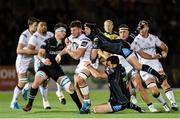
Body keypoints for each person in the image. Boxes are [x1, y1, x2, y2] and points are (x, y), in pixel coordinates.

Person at [23, 22, 82, 112]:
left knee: (70, 88)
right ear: (57, 32)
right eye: (62, 31)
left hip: (56, 69)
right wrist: (43, 60)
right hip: (45, 68)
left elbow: (67, 48)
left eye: (65, 32)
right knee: (37, 81)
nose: (64, 33)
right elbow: (40, 53)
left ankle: (81, 108)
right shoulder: (48, 41)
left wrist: (61, 54)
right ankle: (29, 104)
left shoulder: (65, 42)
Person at [89, 24, 167, 88]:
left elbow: (93, 57)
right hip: (122, 48)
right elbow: (101, 35)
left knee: (136, 66)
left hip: (121, 48)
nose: (85, 30)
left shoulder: (96, 39)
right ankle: (159, 76)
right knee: (138, 66)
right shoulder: (99, 36)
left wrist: (94, 60)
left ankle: (158, 76)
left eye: (86, 28)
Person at [118, 24, 170, 112]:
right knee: (126, 93)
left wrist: (153, 57)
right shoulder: (114, 42)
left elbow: (142, 54)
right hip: (120, 70)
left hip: (132, 68)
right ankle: (132, 96)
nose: (122, 34)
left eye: (124, 32)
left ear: (128, 33)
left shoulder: (134, 42)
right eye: (121, 32)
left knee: (139, 86)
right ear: (119, 33)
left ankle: (152, 106)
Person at [131, 20, 178, 111]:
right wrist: (153, 56)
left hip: (155, 64)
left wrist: (165, 53)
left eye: (142, 27)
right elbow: (142, 55)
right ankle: (164, 103)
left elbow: (164, 47)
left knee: (164, 82)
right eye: (139, 28)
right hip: (144, 67)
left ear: (147, 28)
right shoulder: (136, 40)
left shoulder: (153, 38)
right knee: (154, 92)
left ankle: (173, 103)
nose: (141, 29)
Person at [59, 20, 92, 114]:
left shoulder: (85, 40)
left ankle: (87, 101)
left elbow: (76, 56)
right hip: (82, 63)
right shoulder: (72, 36)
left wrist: (69, 49)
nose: (72, 32)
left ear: (80, 30)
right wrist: (60, 54)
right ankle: (85, 108)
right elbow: (68, 42)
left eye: (74, 30)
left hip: (89, 63)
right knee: (76, 86)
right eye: (71, 30)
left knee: (80, 79)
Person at [10, 17, 39, 109]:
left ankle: (27, 87)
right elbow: (18, 50)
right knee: (22, 82)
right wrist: (32, 52)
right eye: (35, 25)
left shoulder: (37, 34)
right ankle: (13, 102)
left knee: (43, 78)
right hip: (22, 61)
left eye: (38, 25)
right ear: (30, 25)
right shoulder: (24, 35)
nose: (37, 27)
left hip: (32, 60)